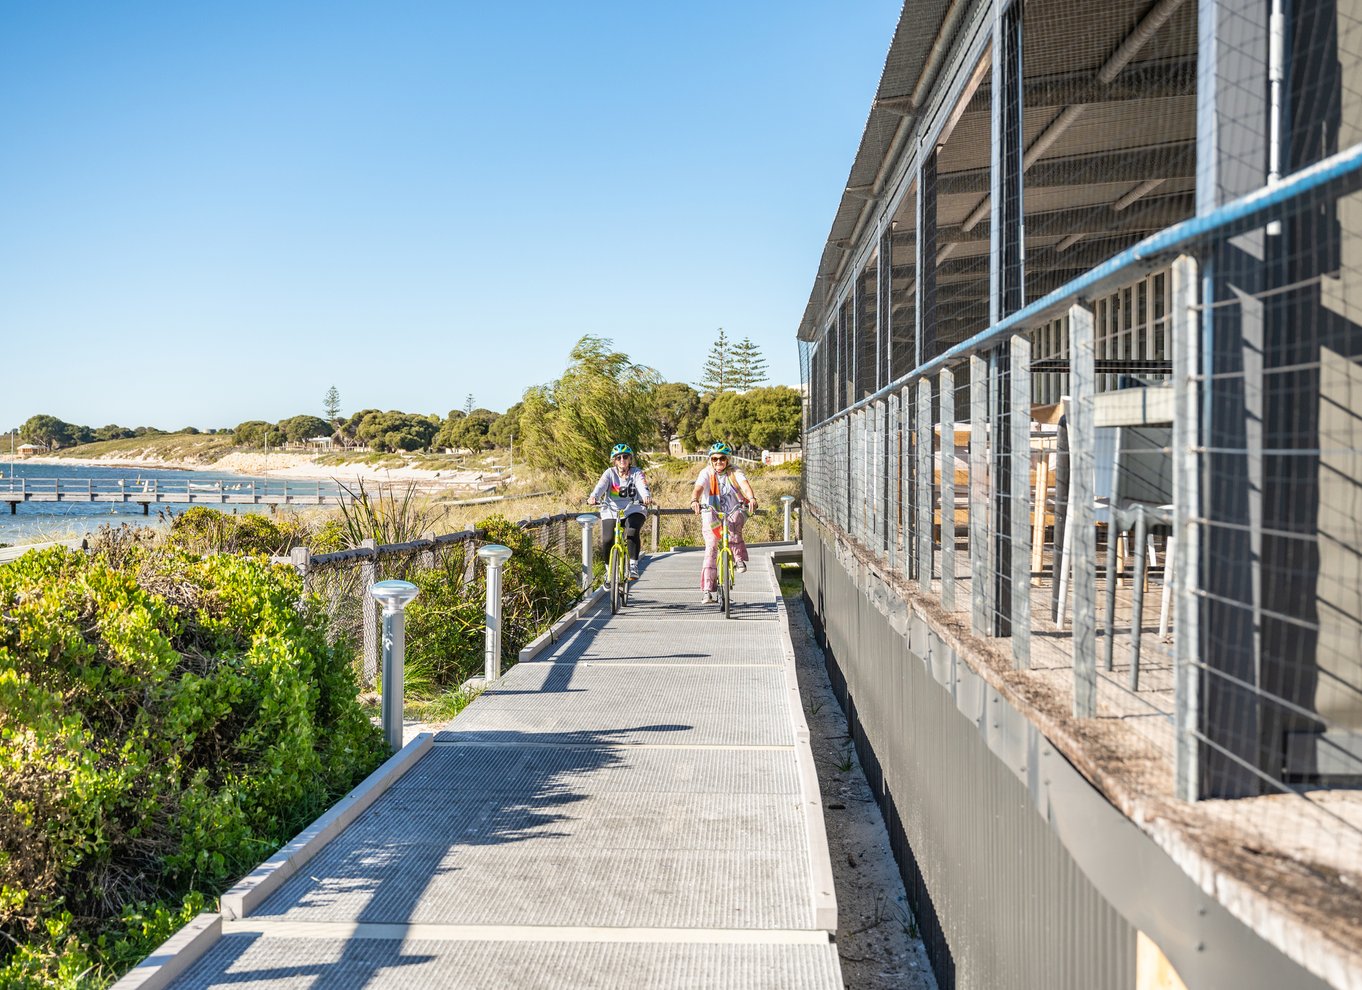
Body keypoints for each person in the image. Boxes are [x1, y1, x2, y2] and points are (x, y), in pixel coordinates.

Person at [690, 441, 757, 604]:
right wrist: (695, 500)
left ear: (727, 459)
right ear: (710, 460)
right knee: (712, 546)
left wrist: (752, 497)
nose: (718, 462)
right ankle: (707, 590)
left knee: (734, 527)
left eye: (721, 458)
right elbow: (698, 488)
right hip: (711, 513)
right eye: (714, 459)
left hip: (732, 510)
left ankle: (738, 558)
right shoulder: (706, 473)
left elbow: (744, 485)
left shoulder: (735, 472)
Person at [588, 443, 651, 579]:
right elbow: (601, 486)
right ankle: (608, 571)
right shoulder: (609, 473)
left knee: (632, 531)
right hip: (612, 510)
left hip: (634, 508)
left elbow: (642, 484)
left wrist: (646, 496)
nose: (622, 460)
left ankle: (633, 565)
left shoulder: (637, 473)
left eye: (625, 457)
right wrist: (594, 496)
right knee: (607, 539)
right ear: (614, 461)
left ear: (630, 459)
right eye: (618, 458)